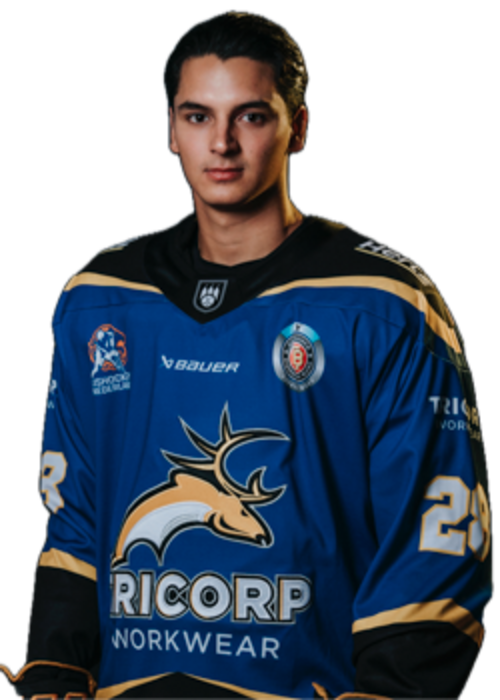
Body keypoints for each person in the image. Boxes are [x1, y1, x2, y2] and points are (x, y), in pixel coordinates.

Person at [0, 9, 494, 700]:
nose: (222, 143)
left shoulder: (383, 301)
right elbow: (75, 513)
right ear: (171, 130)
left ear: (299, 127)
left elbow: (438, 526)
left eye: (252, 117)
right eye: (198, 116)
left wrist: (392, 690)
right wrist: (54, 661)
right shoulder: (99, 298)